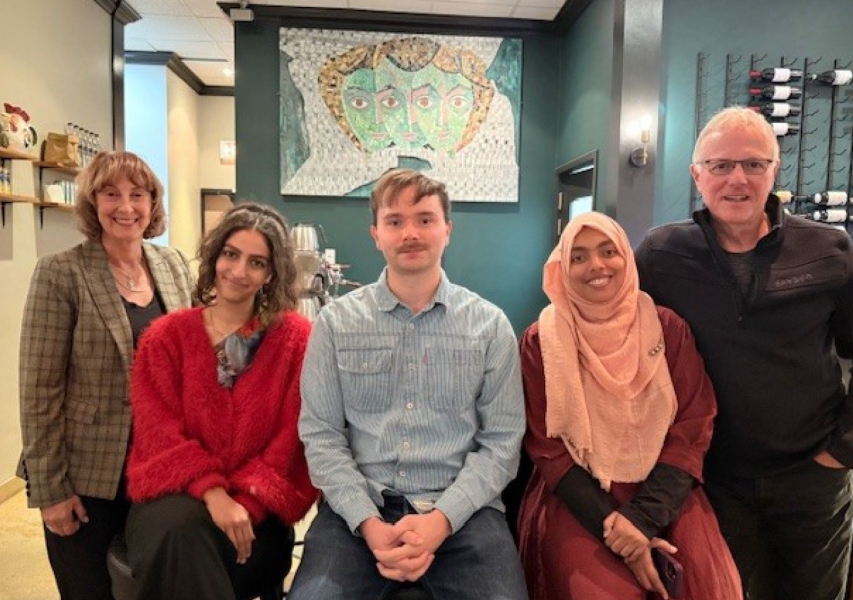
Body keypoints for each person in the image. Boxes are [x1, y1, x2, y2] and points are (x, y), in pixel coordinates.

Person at [634, 106, 853, 600]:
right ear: (697, 176)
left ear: (775, 172)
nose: (738, 179)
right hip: (714, 483)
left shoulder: (831, 249)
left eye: (754, 164)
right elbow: (611, 323)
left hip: (813, 481)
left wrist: (842, 452)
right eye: (720, 165)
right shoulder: (661, 254)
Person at [289, 168, 528, 600]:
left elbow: (502, 443)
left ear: (447, 229)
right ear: (376, 234)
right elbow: (321, 436)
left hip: (464, 515)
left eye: (424, 219)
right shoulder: (335, 324)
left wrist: (441, 521)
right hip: (359, 513)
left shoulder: (490, 327)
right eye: (395, 221)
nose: (410, 233)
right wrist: (368, 522)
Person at [518, 212, 742, 600]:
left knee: (708, 586)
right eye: (579, 256)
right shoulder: (541, 341)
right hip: (581, 494)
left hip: (665, 487)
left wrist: (642, 519)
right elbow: (548, 447)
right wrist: (617, 529)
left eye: (608, 251)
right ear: (562, 267)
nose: (596, 266)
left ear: (626, 256)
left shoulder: (668, 329)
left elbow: (693, 424)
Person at [17, 150, 193, 600]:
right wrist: (52, 491)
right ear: (92, 202)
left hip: (156, 471)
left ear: (153, 203)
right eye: (111, 194)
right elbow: (39, 391)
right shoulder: (61, 272)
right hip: (85, 474)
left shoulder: (171, 265)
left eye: (138, 194)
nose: (126, 206)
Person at [124, 203, 319, 600]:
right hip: (174, 497)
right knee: (180, 532)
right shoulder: (166, 337)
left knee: (196, 549)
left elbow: (290, 442)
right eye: (231, 254)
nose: (238, 271)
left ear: (271, 274)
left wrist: (245, 504)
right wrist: (213, 494)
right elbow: (158, 434)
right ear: (215, 256)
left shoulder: (296, 341)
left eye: (256, 262)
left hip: (256, 512)